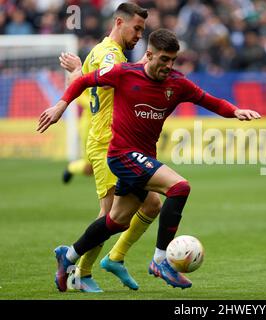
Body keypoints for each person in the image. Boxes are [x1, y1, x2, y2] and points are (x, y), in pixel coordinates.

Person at [37, 28, 261, 291]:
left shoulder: (177, 84)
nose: (168, 65)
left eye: (173, 60)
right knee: (179, 187)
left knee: (115, 221)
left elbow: (209, 101)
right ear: (149, 55)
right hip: (121, 155)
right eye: (163, 59)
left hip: (142, 158)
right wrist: (60, 106)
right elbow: (83, 81)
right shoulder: (124, 73)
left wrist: (236, 111)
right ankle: (160, 259)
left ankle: (70, 255)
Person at [55, 2, 163, 293]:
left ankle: (115, 257)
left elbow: (82, 84)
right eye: (136, 28)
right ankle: (80, 271)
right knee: (109, 216)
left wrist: (77, 71)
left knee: (152, 203)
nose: (139, 34)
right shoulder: (108, 54)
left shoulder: (98, 52)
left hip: (122, 143)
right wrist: (147, 66)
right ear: (119, 22)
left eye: (143, 29)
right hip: (107, 143)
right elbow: (118, 76)